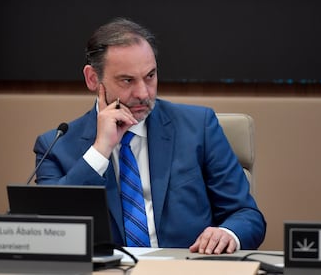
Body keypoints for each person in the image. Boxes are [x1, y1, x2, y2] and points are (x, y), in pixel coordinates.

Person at [33, 17, 266, 255]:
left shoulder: (198, 128)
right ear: (93, 78)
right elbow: (51, 231)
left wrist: (227, 233)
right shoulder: (56, 147)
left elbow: (246, 215)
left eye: (150, 76)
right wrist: (100, 150)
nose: (143, 93)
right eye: (127, 80)